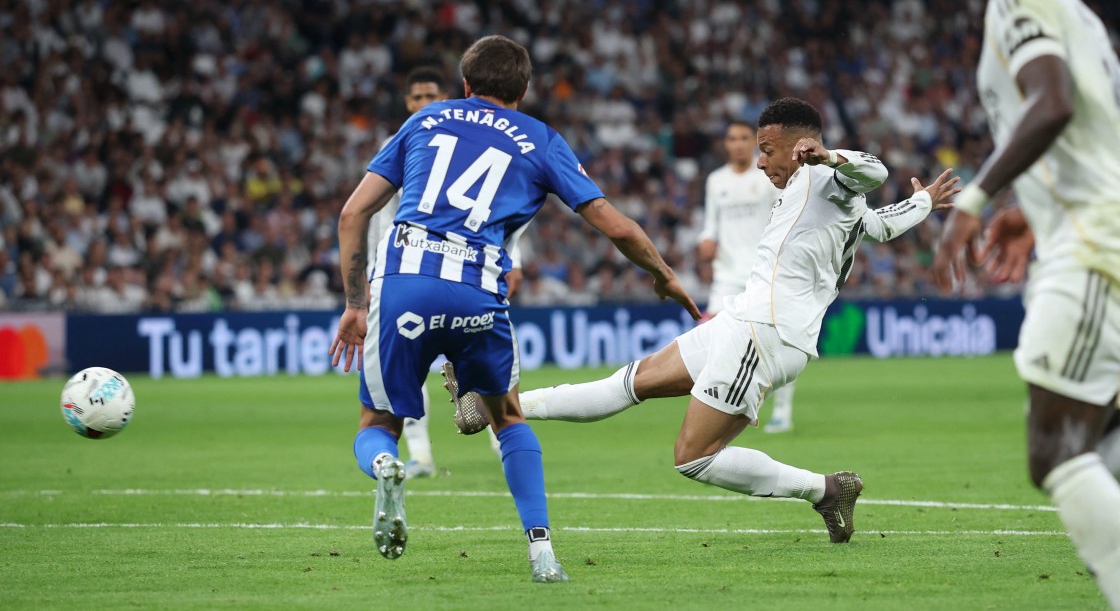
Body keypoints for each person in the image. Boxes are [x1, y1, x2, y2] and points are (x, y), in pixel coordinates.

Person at [447, 97, 959, 544]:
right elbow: (881, 225)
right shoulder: (826, 195)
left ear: (802, 145)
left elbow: (873, 171)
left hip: (769, 333)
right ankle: (489, 406)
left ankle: (826, 490)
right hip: (742, 319)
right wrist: (923, 202)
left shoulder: (827, 176)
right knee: (628, 383)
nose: (760, 161)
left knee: (693, 456)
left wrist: (829, 155)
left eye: (768, 149)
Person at [329, 35, 699, 582]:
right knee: (507, 418)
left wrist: (355, 304)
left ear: (465, 83)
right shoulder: (541, 139)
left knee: (378, 423)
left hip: (403, 283)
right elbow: (616, 226)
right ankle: (542, 553)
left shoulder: (425, 119)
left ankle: (386, 464)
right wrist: (664, 275)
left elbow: (352, 214)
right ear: (523, 91)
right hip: (477, 290)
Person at [933, 0, 1120, 605]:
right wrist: (1032, 211)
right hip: (1090, 226)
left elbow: (1053, 102)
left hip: (1093, 244)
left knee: (1055, 450)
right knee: (1101, 435)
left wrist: (976, 201)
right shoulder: (1068, 5)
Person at [365, 67, 510, 479]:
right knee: (408, 373)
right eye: (417, 97)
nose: (424, 103)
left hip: (468, 270)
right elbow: (378, 215)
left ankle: (504, 444)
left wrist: (510, 261)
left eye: (431, 95)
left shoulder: (470, 142)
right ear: (406, 102)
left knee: (483, 367)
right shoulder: (397, 143)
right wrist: (374, 273)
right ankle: (422, 457)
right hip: (405, 271)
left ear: (446, 96)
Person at [698, 121, 798, 433]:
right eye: (732, 139)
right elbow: (710, 224)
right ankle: (725, 408)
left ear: (753, 144)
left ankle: (782, 412)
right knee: (714, 339)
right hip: (726, 274)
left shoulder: (767, 175)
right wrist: (706, 240)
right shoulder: (716, 180)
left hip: (764, 271)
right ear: (725, 144)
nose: (738, 144)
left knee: (778, 342)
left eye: (744, 138)